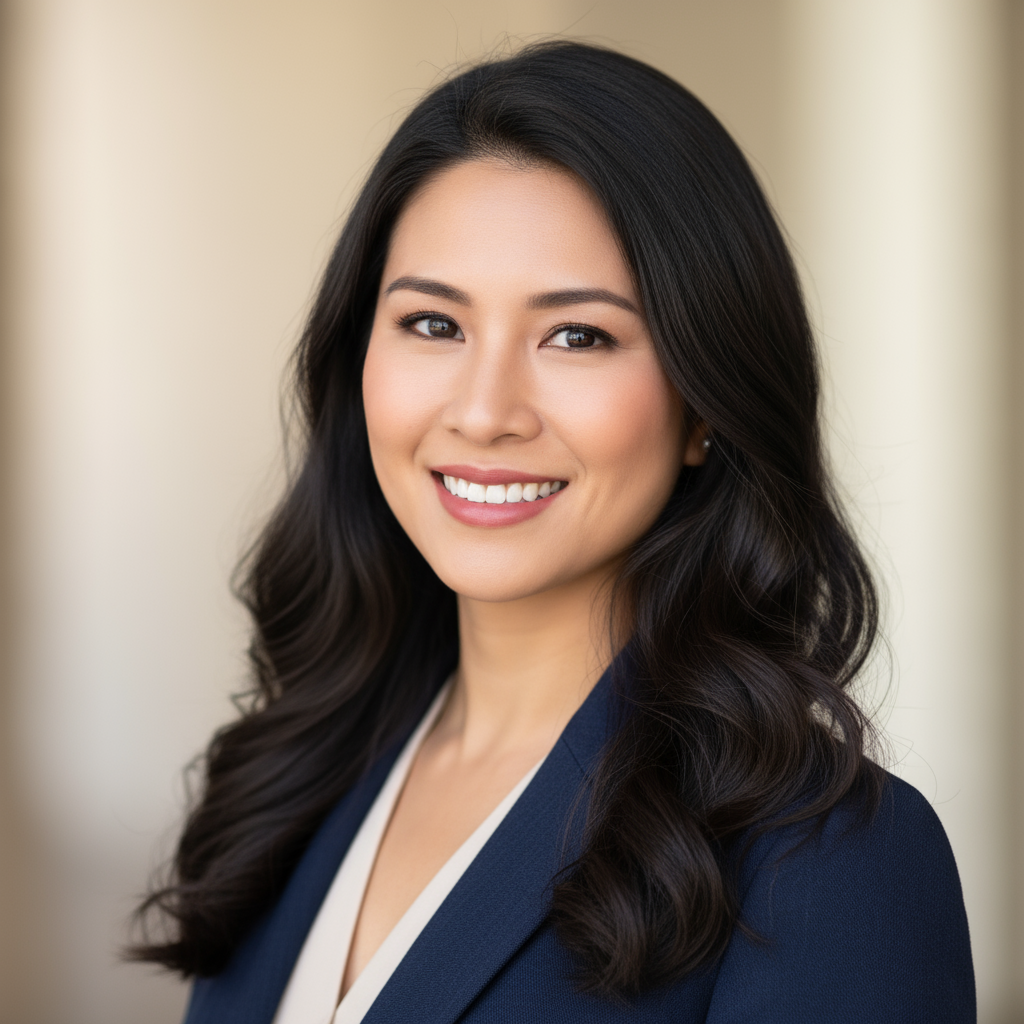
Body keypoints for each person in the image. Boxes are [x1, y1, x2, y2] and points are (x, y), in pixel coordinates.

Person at [132, 41, 975, 1023]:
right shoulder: (293, 777)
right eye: (433, 325)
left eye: (577, 335)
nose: (485, 411)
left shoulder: (829, 864)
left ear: (706, 402)